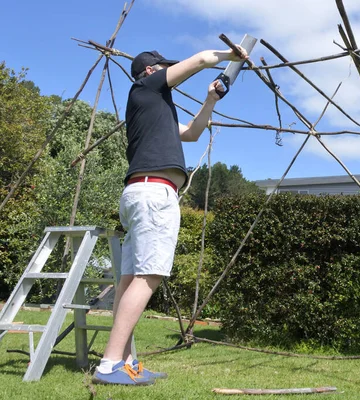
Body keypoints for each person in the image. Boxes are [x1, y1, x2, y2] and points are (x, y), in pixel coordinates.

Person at [92, 45, 248, 385]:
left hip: (140, 193)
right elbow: (203, 59)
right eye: (163, 67)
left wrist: (211, 100)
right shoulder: (146, 88)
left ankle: (127, 361)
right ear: (151, 71)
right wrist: (233, 54)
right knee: (150, 275)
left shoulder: (155, 108)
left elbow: (191, 133)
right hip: (153, 194)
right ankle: (109, 364)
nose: (168, 71)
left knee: (130, 279)